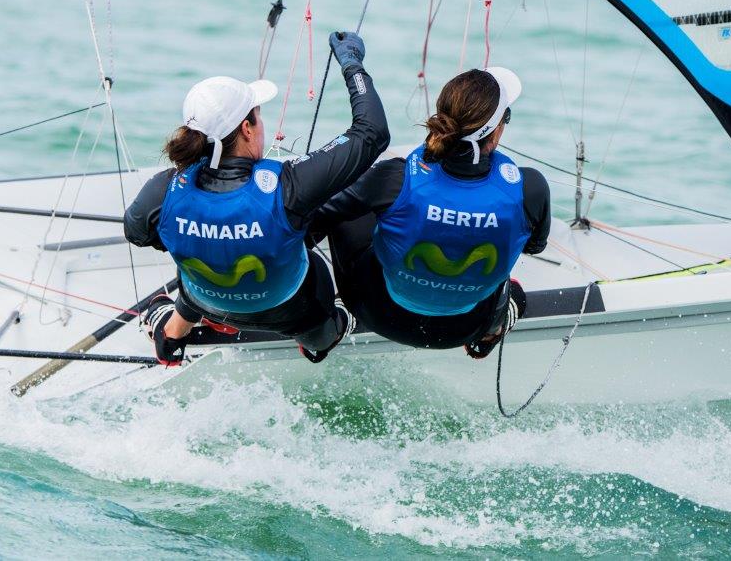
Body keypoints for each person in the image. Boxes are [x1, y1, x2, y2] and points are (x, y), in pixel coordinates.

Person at [125, 32, 388, 366]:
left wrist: (204, 235)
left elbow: (136, 232)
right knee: (319, 327)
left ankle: (170, 336)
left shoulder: (163, 189)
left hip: (205, 299)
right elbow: (372, 132)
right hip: (292, 309)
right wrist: (351, 63)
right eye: (259, 116)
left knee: (209, 259)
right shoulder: (288, 185)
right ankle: (319, 342)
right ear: (247, 129)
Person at [310, 68, 551, 358]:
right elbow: (534, 246)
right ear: (497, 131)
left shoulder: (393, 179)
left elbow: (313, 217)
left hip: (377, 313)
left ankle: (324, 326)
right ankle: (488, 335)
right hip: (466, 327)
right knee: (515, 294)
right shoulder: (531, 188)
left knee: (351, 200)